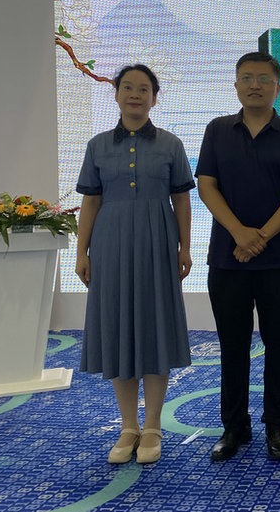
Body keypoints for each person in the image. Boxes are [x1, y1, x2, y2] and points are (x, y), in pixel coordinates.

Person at [196, 52, 280, 462]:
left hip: (277, 258)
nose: (255, 85)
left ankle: (277, 426)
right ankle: (234, 426)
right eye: (246, 78)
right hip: (227, 257)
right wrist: (239, 233)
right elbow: (207, 186)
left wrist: (260, 236)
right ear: (235, 86)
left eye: (264, 79)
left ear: (278, 87)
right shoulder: (217, 130)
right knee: (233, 346)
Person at [75, 64, 193, 465]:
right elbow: (91, 201)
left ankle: (153, 425)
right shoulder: (97, 146)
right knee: (119, 329)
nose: (135, 95)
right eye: (127, 88)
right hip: (110, 245)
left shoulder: (171, 144)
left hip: (158, 244)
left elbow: (181, 200)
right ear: (116, 95)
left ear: (154, 99)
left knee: (155, 327)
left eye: (144, 89)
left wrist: (185, 247)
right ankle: (128, 426)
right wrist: (81, 252)